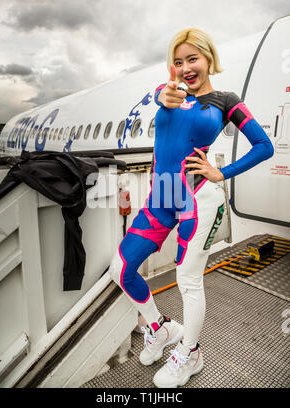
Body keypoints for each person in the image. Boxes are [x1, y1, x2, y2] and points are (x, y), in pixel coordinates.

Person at [108, 27, 274, 388]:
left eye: (192, 59)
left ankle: (190, 352)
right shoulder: (170, 92)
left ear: (208, 58)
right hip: (160, 198)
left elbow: (264, 146)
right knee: (121, 268)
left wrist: (220, 172)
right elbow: (161, 95)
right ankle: (160, 328)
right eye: (178, 61)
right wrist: (163, 92)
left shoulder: (226, 100)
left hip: (196, 200)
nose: (185, 67)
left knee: (188, 281)